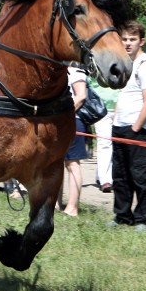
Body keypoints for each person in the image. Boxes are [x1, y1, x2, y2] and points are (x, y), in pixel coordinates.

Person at [109, 21, 146, 232]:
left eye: (132, 39)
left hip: (138, 130)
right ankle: (122, 216)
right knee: (120, 176)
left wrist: (136, 127)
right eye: (125, 39)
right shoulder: (125, 63)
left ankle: (142, 220)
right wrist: (116, 121)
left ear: (142, 41)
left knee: (141, 176)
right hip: (120, 126)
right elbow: (123, 95)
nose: (128, 43)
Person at [60, 67, 87, 217]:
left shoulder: (76, 71)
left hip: (73, 122)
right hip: (60, 124)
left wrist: (66, 115)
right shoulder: (61, 69)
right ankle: (56, 203)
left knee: (72, 164)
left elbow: (81, 96)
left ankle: (72, 207)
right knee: (57, 163)